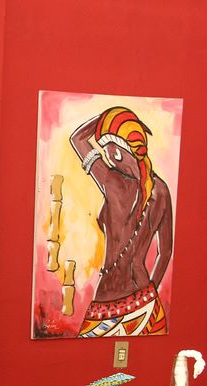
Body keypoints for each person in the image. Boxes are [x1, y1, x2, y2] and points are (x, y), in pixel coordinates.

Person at [69, 106, 173, 337]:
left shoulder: (113, 183)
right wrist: (150, 293)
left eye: (106, 149)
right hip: (149, 305)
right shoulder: (162, 190)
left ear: (116, 151)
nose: (105, 155)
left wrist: (108, 116)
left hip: (109, 305)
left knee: (90, 359)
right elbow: (165, 252)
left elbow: (77, 139)